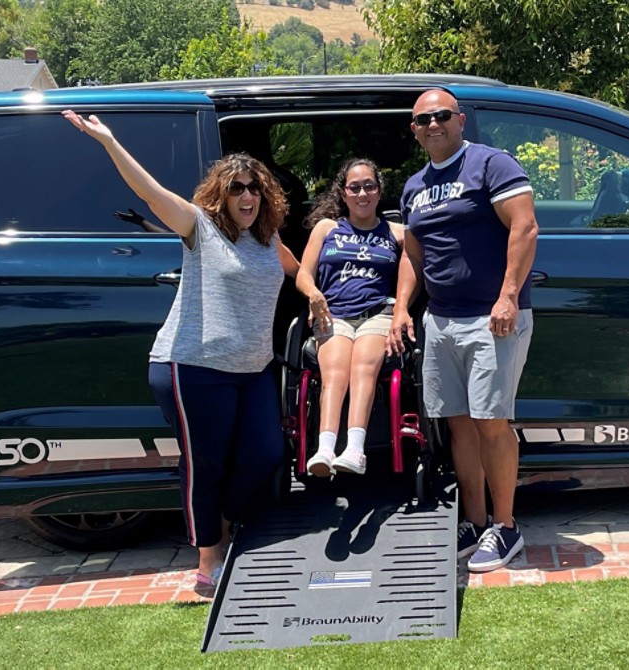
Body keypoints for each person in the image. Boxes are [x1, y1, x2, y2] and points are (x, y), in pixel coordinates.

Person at [62, 110, 300, 588]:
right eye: (237, 188)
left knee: (266, 455)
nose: (247, 195)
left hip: (252, 370)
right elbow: (149, 192)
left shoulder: (267, 236)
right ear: (221, 195)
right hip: (192, 365)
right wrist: (109, 140)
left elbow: (298, 269)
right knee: (205, 461)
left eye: (254, 187)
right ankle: (209, 557)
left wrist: (317, 294)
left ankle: (226, 521)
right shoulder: (199, 228)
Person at [388, 90, 538, 573]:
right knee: (457, 422)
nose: (433, 124)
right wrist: (401, 310)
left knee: (492, 422)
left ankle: (506, 526)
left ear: (460, 120)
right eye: (423, 119)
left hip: (491, 318)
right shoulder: (413, 187)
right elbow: (414, 254)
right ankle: (474, 523)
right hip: (442, 320)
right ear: (413, 131)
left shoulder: (490, 164)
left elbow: (525, 227)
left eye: (442, 116)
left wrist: (508, 296)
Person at [296, 158, 404, 476]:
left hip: (377, 312)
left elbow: (418, 268)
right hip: (334, 313)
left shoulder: (396, 232)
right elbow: (303, 274)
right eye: (354, 187)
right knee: (334, 372)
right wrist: (314, 295)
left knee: (363, 366)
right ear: (343, 194)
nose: (362, 193)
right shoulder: (326, 229)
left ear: (378, 190)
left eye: (369, 186)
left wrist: (402, 311)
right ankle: (325, 449)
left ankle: (355, 450)